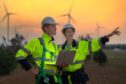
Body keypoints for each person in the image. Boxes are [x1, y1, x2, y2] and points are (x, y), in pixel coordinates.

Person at [15, 16, 62, 84]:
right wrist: (31, 69)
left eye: (55, 26)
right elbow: (19, 55)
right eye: (53, 26)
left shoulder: (54, 46)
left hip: (56, 79)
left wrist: (61, 66)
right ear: (45, 28)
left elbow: (57, 63)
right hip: (44, 79)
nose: (55, 28)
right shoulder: (36, 42)